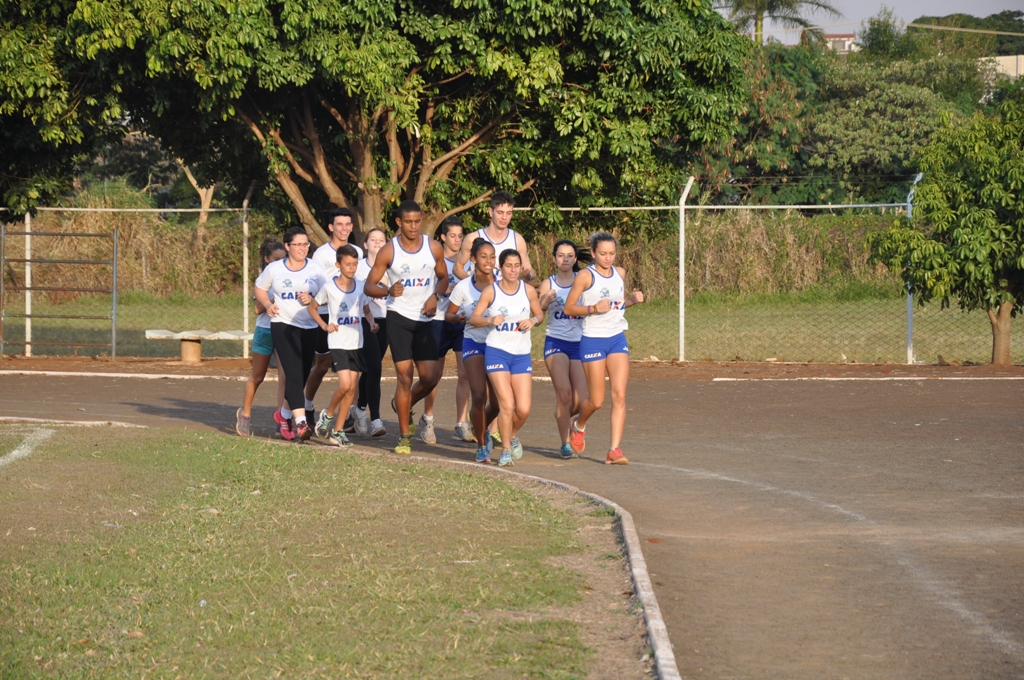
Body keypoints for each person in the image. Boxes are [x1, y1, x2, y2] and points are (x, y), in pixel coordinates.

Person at [363, 200, 449, 455]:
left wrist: (435, 296)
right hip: (398, 317)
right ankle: (403, 437)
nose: (413, 226)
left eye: (417, 221)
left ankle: (403, 403)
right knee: (404, 376)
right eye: (407, 222)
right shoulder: (389, 251)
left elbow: (444, 278)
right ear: (399, 222)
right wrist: (387, 290)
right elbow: (369, 286)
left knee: (431, 378)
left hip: (424, 319)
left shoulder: (433, 247)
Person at [562, 232, 645, 465]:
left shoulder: (620, 273)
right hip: (593, 339)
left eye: (612, 253)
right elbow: (569, 308)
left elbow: (617, 305)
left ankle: (614, 449)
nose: (608, 258)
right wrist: (592, 309)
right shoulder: (585, 277)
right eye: (603, 253)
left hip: (617, 338)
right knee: (596, 401)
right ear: (593, 252)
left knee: (619, 394)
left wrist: (632, 300)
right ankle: (578, 425)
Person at [469, 249, 543, 467]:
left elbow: (539, 313)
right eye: (508, 265)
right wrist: (490, 320)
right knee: (507, 404)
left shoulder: (528, 290)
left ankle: (510, 435)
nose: (513, 270)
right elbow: (474, 318)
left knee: (523, 408)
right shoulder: (491, 292)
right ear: (500, 268)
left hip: (521, 354)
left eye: (516, 265)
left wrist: (534, 321)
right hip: (497, 351)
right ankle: (506, 452)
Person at [254, 227, 327, 441]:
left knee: (302, 374)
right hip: (283, 325)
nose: (303, 248)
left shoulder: (315, 268)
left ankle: (284, 414)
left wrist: (313, 299)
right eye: (298, 244)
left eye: (306, 244)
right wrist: (268, 303)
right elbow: (259, 288)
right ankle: (301, 423)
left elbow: (328, 292)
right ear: (287, 246)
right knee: (293, 372)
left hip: (309, 326)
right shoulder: (275, 269)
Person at [307, 245, 372, 447]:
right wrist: (325, 325)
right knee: (344, 384)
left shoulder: (361, 286)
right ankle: (328, 414)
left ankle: (338, 431)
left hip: (356, 342)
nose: (351, 268)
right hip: (337, 341)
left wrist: (371, 322)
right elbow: (312, 307)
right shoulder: (329, 287)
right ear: (338, 265)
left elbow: (367, 309)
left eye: (354, 264)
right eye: (347, 264)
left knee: (352, 389)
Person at [306, 208, 365, 421]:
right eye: (339, 224)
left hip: (351, 320)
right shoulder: (321, 254)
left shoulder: (357, 250)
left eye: (348, 224)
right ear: (331, 227)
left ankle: (349, 412)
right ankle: (308, 405)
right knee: (321, 364)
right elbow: (316, 285)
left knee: (352, 370)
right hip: (326, 315)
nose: (344, 228)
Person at [421, 215, 473, 444]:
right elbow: (424, 291)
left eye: (460, 236)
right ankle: (428, 420)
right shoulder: (433, 260)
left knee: (466, 374)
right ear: (442, 237)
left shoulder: (469, 263)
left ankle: (461, 423)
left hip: (461, 322)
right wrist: (443, 290)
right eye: (452, 235)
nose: (456, 240)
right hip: (438, 321)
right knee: (434, 376)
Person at [447, 238, 499, 463]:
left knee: (498, 403)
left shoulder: (502, 283)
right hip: (473, 343)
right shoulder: (463, 286)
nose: (488, 261)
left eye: (492, 257)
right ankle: (481, 446)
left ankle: (481, 424)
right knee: (479, 395)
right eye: (483, 257)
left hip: (499, 345)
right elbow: (448, 314)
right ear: (474, 259)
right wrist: (457, 318)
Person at [537, 240, 591, 459]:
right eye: (561, 255)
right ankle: (565, 444)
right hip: (556, 342)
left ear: (576, 258)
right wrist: (544, 301)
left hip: (579, 342)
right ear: (554, 258)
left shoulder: (583, 281)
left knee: (581, 400)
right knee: (564, 394)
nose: (565, 259)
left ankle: (570, 422)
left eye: (570, 255)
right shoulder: (547, 284)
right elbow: (538, 314)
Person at [236, 238, 289, 438]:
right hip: (265, 331)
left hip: (283, 330)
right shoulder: (264, 280)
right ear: (267, 259)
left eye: (283, 259)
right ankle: (245, 415)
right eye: (275, 259)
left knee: (285, 377)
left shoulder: (289, 277)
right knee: (258, 376)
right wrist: (274, 299)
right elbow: (258, 309)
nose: (280, 262)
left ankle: (282, 418)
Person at [353, 227, 389, 437]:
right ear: (365, 245)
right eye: (373, 240)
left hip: (386, 320)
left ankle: (358, 408)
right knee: (375, 368)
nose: (377, 243)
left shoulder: (392, 268)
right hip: (366, 322)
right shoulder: (357, 269)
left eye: (381, 240)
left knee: (369, 369)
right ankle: (375, 419)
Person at [453, 191, 534, 282]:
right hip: (478, 295)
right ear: (491, 212)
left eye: (508, 213)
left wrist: (529, 275)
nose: (504, 217)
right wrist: (474, 285)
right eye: (500, 212)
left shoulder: (518, 240)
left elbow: (527, 268)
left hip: (505, 295)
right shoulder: (472, 238)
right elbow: (457, 267)